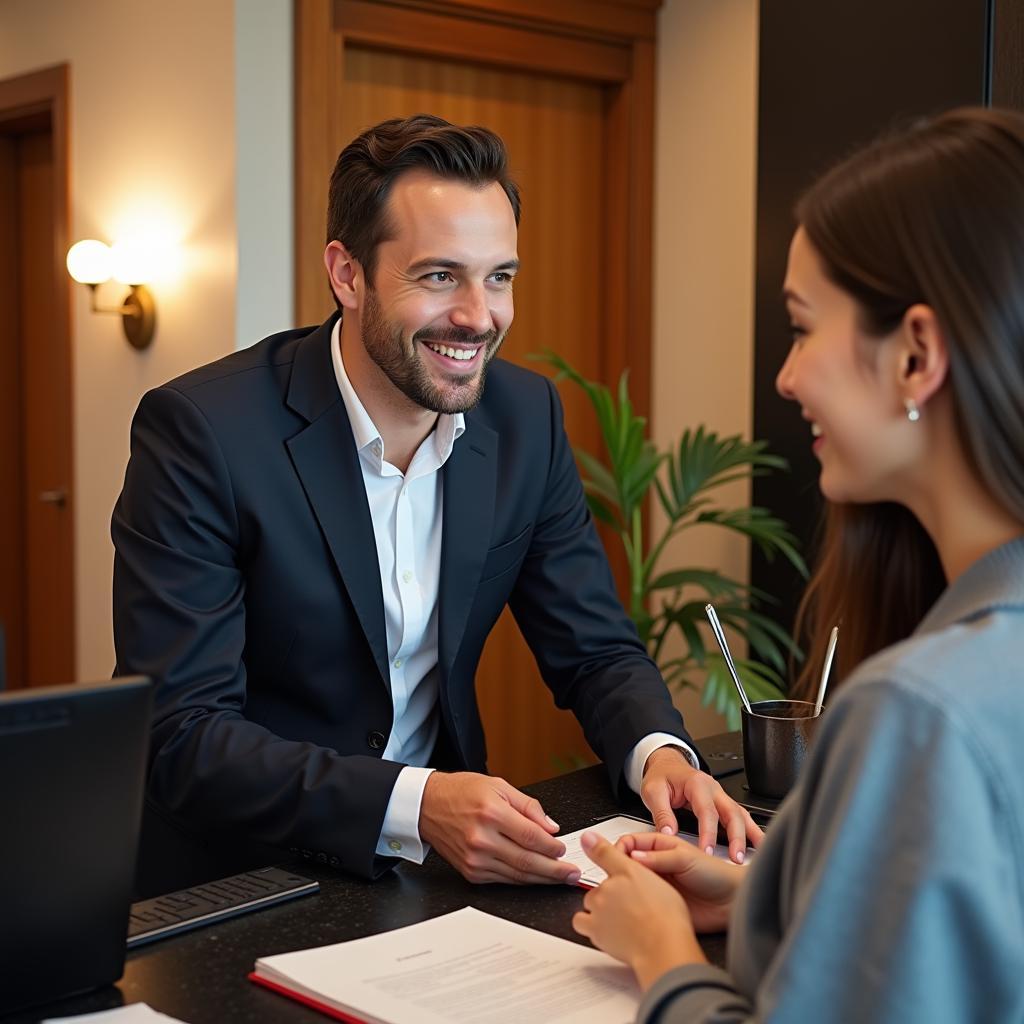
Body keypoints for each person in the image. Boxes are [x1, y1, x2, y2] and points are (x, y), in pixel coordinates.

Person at [113, 114, 761, 898]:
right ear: (347, 275)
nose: (479, 316)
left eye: (500, 277)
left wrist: (660, 754)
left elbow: (593, 647)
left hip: (440, 874)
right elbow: (181, 736)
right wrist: (414, 803)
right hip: (242, 881)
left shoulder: (526, 418)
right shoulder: (203, 432)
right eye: (439, 276)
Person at [570, 106, 1024, 1022]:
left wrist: (660, 949)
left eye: (802, 328)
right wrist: (760, 899)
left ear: (917, 355)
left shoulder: (922, 713)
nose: (786, 377)